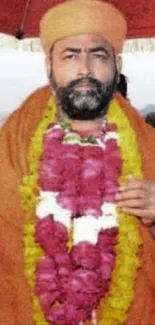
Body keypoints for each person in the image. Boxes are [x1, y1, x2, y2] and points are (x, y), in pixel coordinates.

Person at [0, 0, 155, 324]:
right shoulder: (10, 147)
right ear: (49, 66)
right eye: (70, 55)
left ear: (117, 63)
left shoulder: (149, 147)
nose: (85, 68)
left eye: (98, 55)